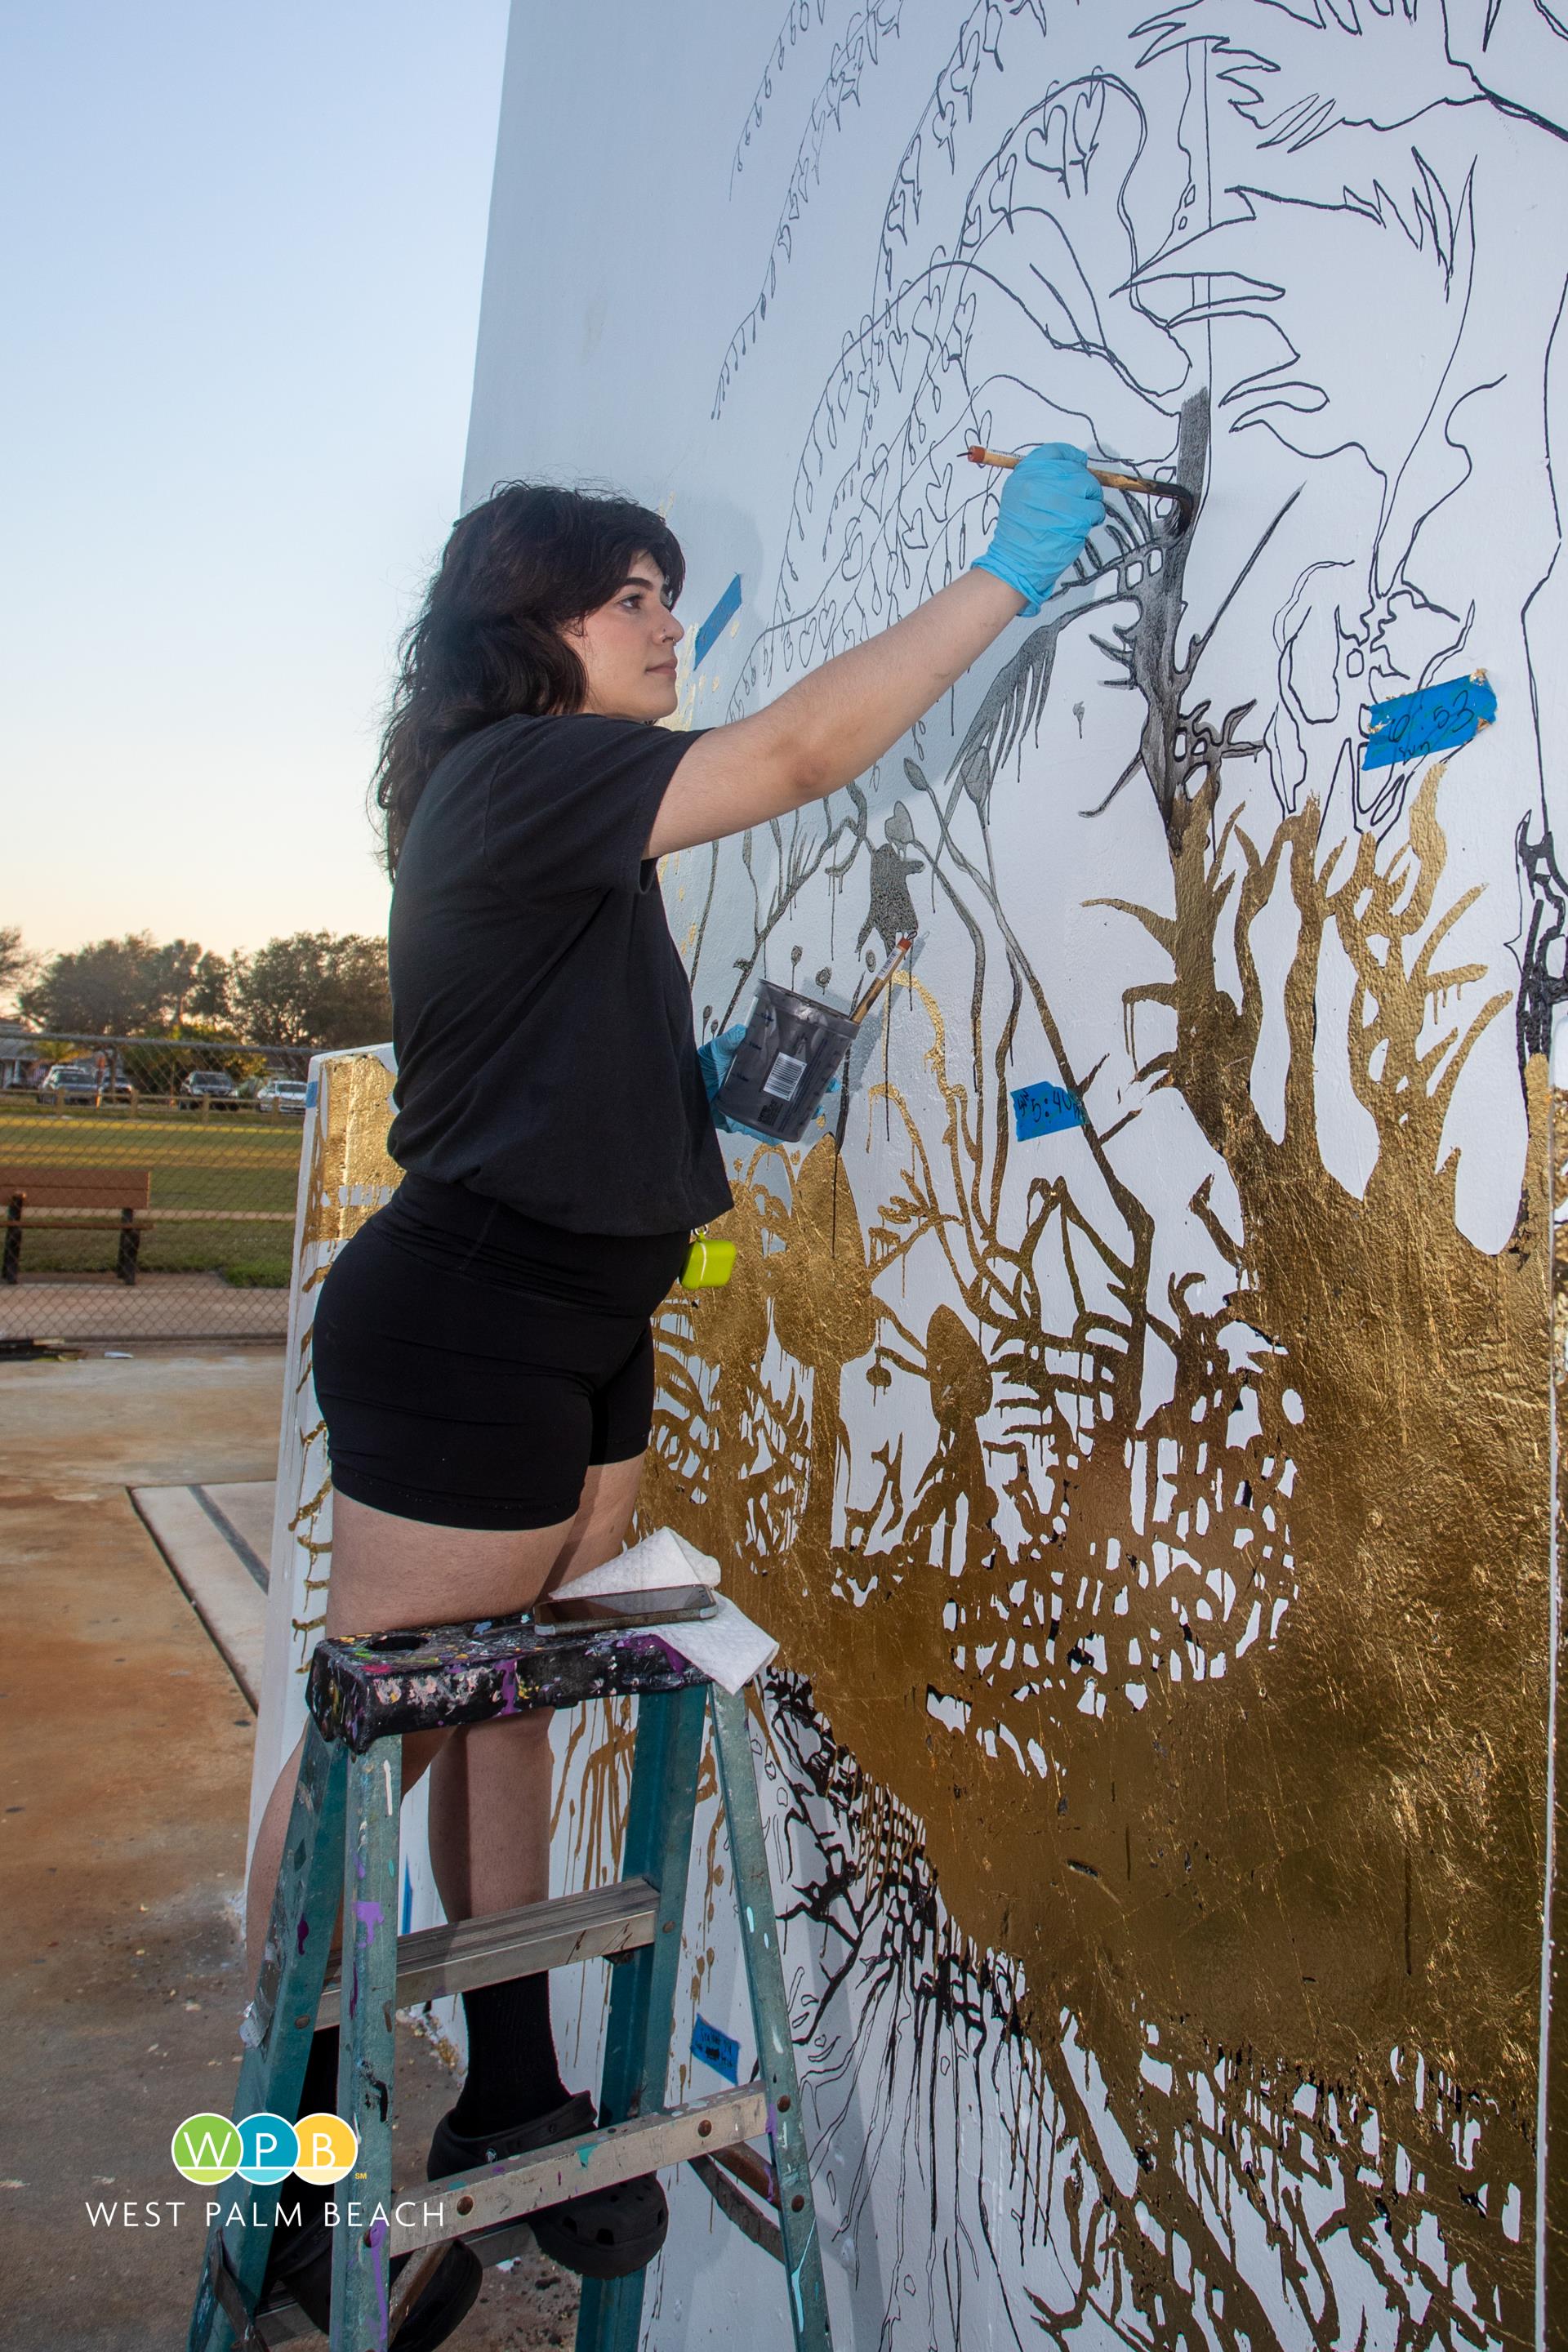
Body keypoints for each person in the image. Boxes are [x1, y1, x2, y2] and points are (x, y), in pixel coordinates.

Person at [247, 447, 1103, 2341]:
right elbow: (800, 754)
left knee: (507, 1711)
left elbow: (562, 1048)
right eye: (624, 593)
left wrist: (682, 1086)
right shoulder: (526, 772)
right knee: (370, 1732)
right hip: (470, 1320)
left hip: (585, 1322)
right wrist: (1008, 571)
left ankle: (517, 2074)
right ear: (526, 629)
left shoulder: (558, 818)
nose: (659, 620)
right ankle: (282, 2162)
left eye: (661, 590)